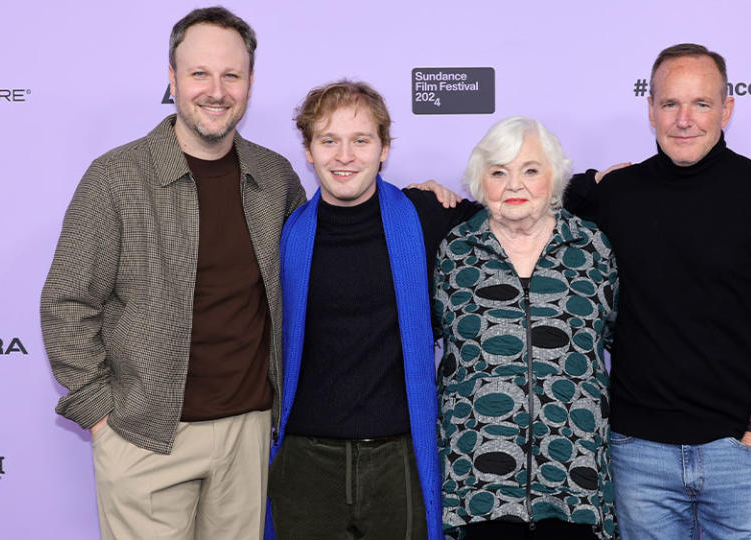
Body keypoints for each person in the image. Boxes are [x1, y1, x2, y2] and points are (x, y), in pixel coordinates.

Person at [39, 7, 306, 539]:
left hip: (247, 435)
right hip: (143, 436)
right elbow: (66, 302)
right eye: (199, 74)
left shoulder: (274, 177)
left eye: (231, 75)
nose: (216, 90)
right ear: (172, 79)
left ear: (250, 84)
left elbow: (323, 252)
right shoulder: (116, 177)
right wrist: (101, 415)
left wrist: (420, 201)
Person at [564, 43, 751, 539]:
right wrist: (591, 180)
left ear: (727, 109)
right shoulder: (617, 195)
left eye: (701, 104)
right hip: (638, 455)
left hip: (738, 454)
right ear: (651, 110)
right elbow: (529, 203)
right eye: (670, 104)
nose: (684, 119)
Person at [267, 80, 481, 540]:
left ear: (384, 149)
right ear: (309, 151)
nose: (345, 156)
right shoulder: (284, 233)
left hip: (398, 458)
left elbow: (516, 209)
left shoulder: (424, 214)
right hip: (305, 460)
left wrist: (600, 185)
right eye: (329, 141)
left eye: (361, 141)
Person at [433, 116, 619, 539]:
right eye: (499, 172)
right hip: (478, 483)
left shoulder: (592, 249)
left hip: (574, 478)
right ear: (481, 183)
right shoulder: (455, 252)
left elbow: (618, 340)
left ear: (555, 179)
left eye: (530, 170)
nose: (514, 185)